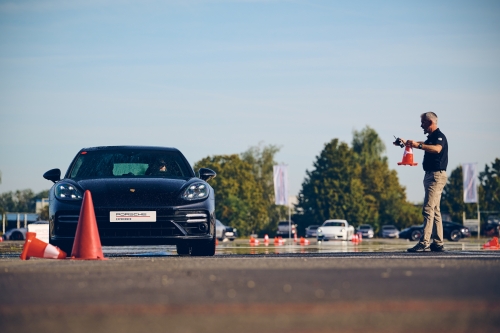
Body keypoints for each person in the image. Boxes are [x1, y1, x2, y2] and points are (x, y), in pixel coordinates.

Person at [397, 112, 448, 252]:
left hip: (435, 176)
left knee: (428, 209)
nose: (421, 125)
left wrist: (418, 146)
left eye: (423, 123)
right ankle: (438, 243)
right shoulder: (432, 138)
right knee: (435, 210)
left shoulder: (439, 137)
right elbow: (423, 143)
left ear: (430, 122)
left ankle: (424, 242)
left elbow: (437, 149)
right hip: (433, 175)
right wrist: (408, 142)